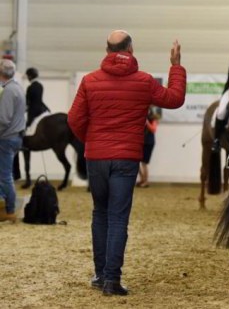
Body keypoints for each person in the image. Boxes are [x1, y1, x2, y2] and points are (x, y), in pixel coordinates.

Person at [67, 30, 186, 296]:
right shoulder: (144, 81)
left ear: (107, 50)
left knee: (100, 213)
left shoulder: (89, 81)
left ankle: (99, 275)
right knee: (118, 218)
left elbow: (74, 119)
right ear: (130, 49)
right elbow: (174, 99)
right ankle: (112, 280)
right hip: (126, 159)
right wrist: (176, 67)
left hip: (96, 158)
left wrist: (93, 140)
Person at [0, 59, 26, 223]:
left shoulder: (9, 91)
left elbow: (3, 119)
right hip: (15, 136)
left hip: (6, 137)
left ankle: (9, 210)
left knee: (5, 176)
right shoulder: (17, 87)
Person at [137, 106, 161, 188]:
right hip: (141, 142)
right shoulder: (140, 118)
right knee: (136, 162)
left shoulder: (152, 119)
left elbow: (153, 129)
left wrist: (147, 122)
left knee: (144, 163)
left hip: (149, 143)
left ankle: (146, 181)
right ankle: (142, 179)